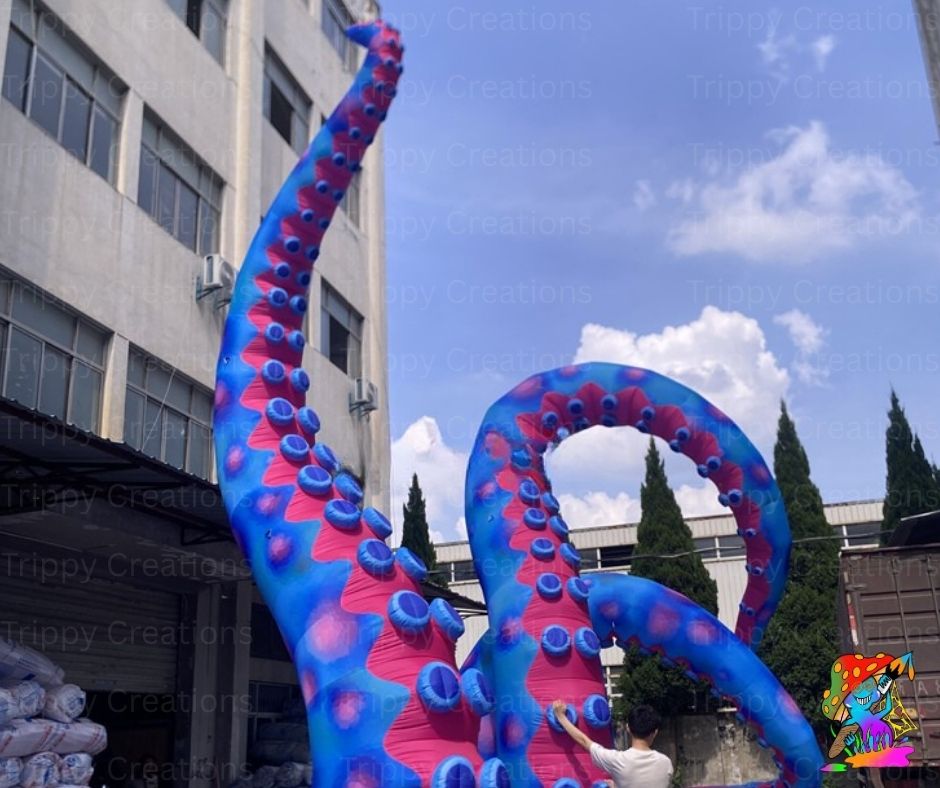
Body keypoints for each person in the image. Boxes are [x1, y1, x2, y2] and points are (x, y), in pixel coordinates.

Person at [552, 699, 673, 787]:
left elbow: (584, 741)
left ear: (628, 728)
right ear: (655, 732)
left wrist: (561, 717)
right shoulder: (666, 763)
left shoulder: (618, 761)